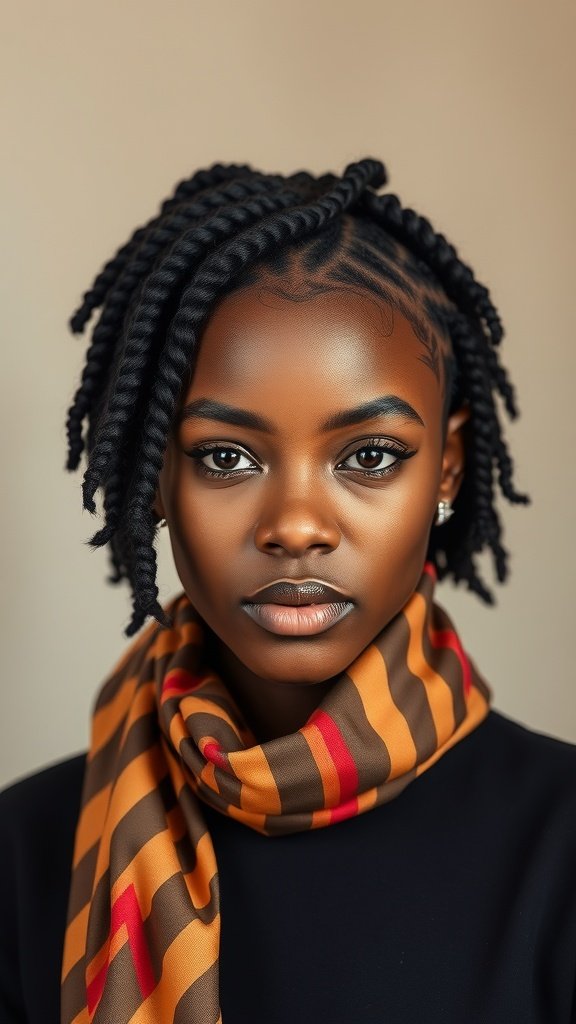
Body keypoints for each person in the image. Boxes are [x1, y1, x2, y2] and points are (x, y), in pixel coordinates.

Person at [1, 157, 575, 1024]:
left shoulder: (562, 844)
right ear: (156, 478)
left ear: (448, 467)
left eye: (369, 456)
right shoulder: (22, 854)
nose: (296, 524)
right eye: (225, 457)